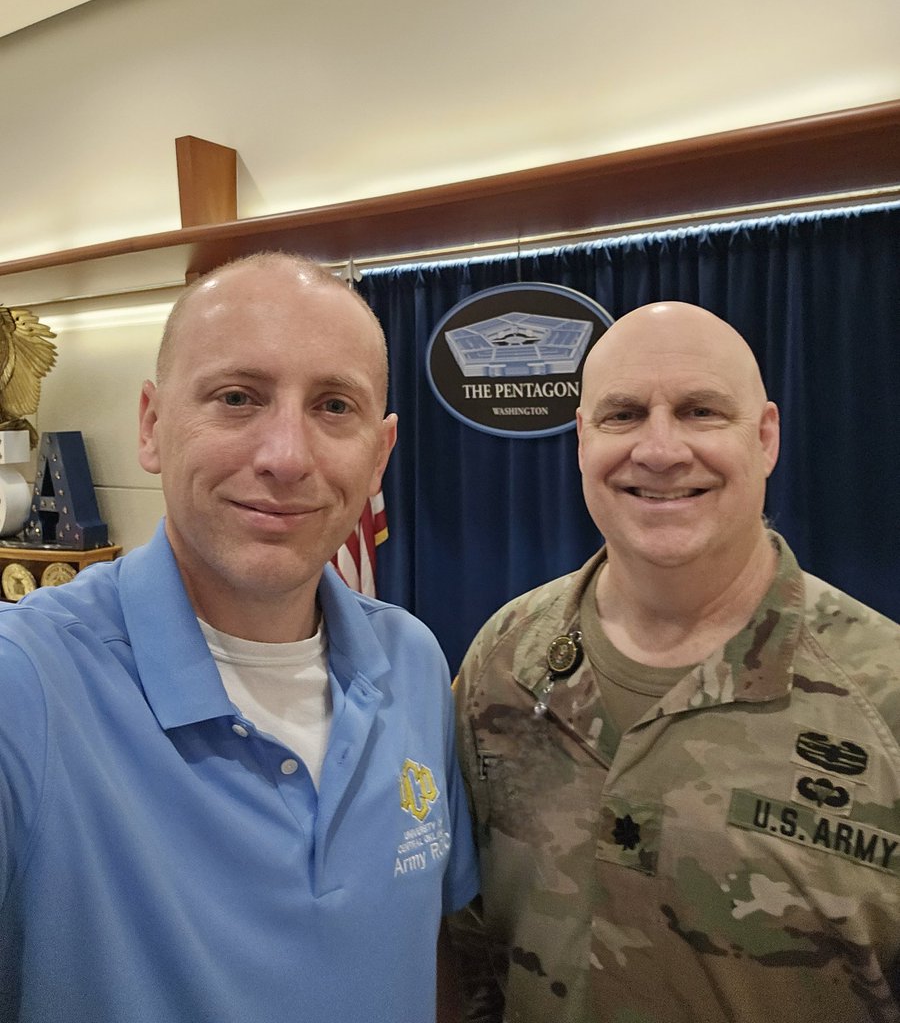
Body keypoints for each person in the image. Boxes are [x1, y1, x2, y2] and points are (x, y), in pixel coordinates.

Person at [0, 252, 478, 1023]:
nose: (286, 457)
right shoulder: (24, 689)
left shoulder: (413, 662)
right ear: (152, 426)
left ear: (379, 453)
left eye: (333, 407)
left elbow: (427, 948)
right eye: (236, 397)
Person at [450, 301, 900, 1023]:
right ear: (581, 440)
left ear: (766, 437)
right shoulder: (505, 660)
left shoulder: (884, 695)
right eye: (622, 415)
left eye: (700, 412)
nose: (659, 450)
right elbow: (468, 952)